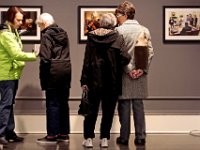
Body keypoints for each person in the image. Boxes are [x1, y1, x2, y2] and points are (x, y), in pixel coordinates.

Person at [80, 13, 130, 148]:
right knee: (108, 112)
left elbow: (87, 60)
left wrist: (83, 80)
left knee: (91, 111)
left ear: (100, 23)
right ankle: (104, 139)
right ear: (114, 24)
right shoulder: (118, 38)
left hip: (93, 79)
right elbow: (125, 58)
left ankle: (89, 138)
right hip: (112, 80)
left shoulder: (91, 37)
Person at [114, 1, 154, 146]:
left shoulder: (118, 31)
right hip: (140, 73)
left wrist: (128, 69)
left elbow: (117, 55)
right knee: (138, 104)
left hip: (124, 74)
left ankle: (124, 137)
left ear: (124, 14)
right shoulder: (144, 30)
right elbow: (150, 53)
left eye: (118, 14)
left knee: (124, 105)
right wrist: (141, 69)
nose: (117, 17)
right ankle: (140, 137)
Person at [0, 6, 37, 145]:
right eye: (18, 20)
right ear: (10, 18)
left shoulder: (13, 31)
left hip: (12, 73)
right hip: (6, 74)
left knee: (9, 104)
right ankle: (1, 133)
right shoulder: (6, 34)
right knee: (6, 104)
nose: (20, 23)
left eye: (21, 20)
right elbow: (15, 54)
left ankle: (9, 132)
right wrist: (34, 55)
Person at [36, 13, 71, 144]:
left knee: (52, 103)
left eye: (39, 25)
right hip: (66, 71)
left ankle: (51, 135)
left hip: (53, 73)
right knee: (63, 103)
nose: (40, 28)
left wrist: (39, 53)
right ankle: (64, 134)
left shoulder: (46, 35)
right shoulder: (64, 33)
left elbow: (45, 58)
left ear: (44, 24)